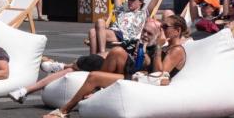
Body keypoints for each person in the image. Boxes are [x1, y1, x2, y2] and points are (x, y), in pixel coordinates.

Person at [43, 15, 188, 118]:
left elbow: (159, 74)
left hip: (144, 82)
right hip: (140, 77)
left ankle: (65, 110)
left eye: (165, 27)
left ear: (177, 31)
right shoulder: (167, 47)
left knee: (94, 76)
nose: (161, 29)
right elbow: (151, 67)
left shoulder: (177, 50)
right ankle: (96, 92)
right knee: (118, 52)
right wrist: (143, 57)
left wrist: (157, 46)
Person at [10, 20, 163, 104]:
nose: (144, 35)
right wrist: (97, 56)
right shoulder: (132, 42)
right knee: (73, 70)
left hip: (122, 75)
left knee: (83, 64)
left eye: (149, 33)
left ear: (156, 35)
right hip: (108, 66)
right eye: (144, 31)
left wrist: (146, 52)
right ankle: (26, 91)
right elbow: (108, 53)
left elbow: (153, 70)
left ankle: (62, 65)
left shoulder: (155, 50)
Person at [88, 0, 162, 55]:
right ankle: (94, 59)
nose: (129, 1)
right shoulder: (121, 11)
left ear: (141, 2)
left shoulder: (144, 13)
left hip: (124, 36)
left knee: (100, 22)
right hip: (114, 32)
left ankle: (102, 53)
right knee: (92, 31)